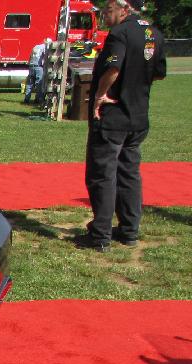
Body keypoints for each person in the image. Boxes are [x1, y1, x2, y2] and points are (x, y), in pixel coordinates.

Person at [77, 0, 166, 251]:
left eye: (108, 11)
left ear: (124, 9)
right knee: (129, 173)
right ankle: (129, 230)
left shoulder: (120, 33)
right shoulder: (154, 33)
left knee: (102, 174)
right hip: (138, 115)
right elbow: (159, 72)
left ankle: (100, 234)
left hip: (113, 115)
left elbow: (113, 68)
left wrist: (99, 96)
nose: (105, 16)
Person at [24, 38, 51, 105]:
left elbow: (31, 56)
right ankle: (38, 99)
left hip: (31, 66)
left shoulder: (36, 46)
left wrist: (29, 63)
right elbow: (46, 57)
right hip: (38, 67)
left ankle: (26, 99)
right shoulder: (45, 47)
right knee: (39, 83)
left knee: (29, 83)